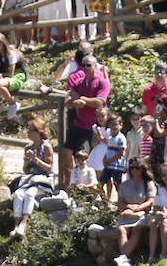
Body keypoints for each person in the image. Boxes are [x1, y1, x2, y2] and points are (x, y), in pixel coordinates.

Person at [59, 49, 109, 188]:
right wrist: (74, 103)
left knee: (96, 160)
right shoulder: (79, 82)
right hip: (79, 124)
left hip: (95, 126)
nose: (86, 68)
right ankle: (68, 182)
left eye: (89, 65)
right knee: (66, 151)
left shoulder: (102, 82)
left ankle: (99, 192)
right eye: (84, 65)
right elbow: (68, 101)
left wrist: (83, 100)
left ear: (95, 66)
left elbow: (100, 101)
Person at [11, 117, 56, 237]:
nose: (28, 132)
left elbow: (49, 168)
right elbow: (25, 170)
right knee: (18, 194)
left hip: (43, 180)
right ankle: (16, 225)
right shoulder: (28, 147)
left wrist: (36, 160)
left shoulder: (46, 147)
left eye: (31, 130)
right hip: (30, 179)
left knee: (30, 194)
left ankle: (24, 223)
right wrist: (26, 161)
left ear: (38, 132)